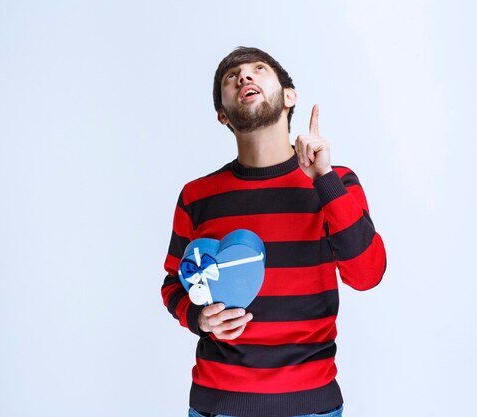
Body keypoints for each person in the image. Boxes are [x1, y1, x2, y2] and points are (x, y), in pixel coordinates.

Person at [161, 46, 387, 417]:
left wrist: (324, 181)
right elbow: (173, 283)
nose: (244, 78)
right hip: (219, 404)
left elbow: (367, 275)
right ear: (222, 115)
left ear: (288, 96)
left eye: (258, 69)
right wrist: (198, 318)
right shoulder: (196, 196)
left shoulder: (336, 182)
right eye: (231, 78)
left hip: (312, 406)